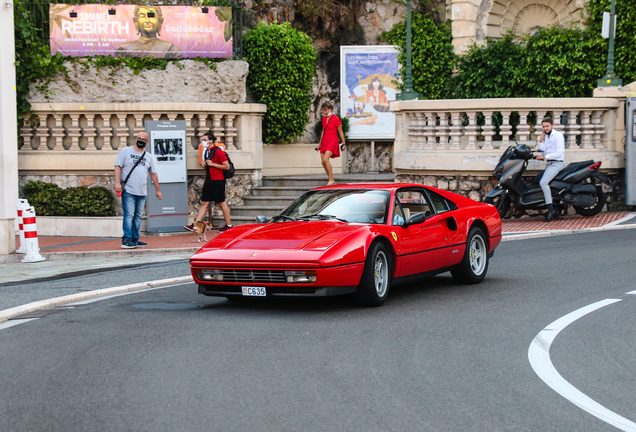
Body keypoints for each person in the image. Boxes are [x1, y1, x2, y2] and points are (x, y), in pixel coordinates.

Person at [115, 132, 162, 249]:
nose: (140, 140)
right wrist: (117, 183)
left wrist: (158, 190)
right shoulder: (126, 151)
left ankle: (135, 239)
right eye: (139, 138)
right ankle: (126, 240)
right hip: (128, 190)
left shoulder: (148, 156)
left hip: (142, 191)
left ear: (147, 142)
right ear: (136, 139)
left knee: (137, 216)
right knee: (129, 215)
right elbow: (118, 166)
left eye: (143, 139)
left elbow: (153, 174)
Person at [185, 131, 233, 232]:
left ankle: (229, 225)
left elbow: (226, 166)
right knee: (204, 202)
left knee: (221, 202)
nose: (203, 142)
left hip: (218, 181)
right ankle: (196, 224)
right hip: (209, 179)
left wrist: (212, 164)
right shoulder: (207, 152)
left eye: (205, 140)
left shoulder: (218, 151)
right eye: (202, 140)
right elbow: (210, 166)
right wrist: (205, 165)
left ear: (211, 141)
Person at [114, 5, 183, 59]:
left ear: (160, 22)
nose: (147, 20)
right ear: (135, 22)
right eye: (142, 16)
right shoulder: (124, 49)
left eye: (152, 16)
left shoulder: (172, 50)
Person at [535, 117, 565, 222]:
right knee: (536, 180)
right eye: (543, 126)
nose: (545, 128)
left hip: (557, 164)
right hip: (549, 164)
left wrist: (544, 157)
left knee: (543, 182)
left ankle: (550, 209)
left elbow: (559, 153)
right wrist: (541, 141)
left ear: (552, 125)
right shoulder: (546, 137)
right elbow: (544, 152)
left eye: (547, 126)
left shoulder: (558, 135)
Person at [317, 102, 346, 185]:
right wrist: (320, 143)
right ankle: (331, 179)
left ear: (330, 109)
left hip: (333, 139)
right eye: (323, 111)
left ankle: (331, 180)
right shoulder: (323, 119)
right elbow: (323, 131)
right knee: (323, 162)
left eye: (325, 110)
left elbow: (340, 132)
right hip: (325, 140)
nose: (324, 112)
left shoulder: (336, 118)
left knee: (326, 159)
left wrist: (344, 143)